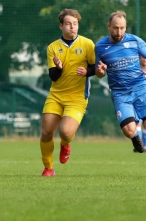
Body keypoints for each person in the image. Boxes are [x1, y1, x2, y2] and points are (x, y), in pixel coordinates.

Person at [40, 9, 95, 177]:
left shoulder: (87, 44)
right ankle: (48, 168)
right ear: (61, 26)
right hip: (56, 95)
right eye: (68, 24)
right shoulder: (53, 48)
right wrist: (58, 67)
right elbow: (53, 77)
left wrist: (86, 71)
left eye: (75, 24)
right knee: (46, 132)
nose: (72, 27)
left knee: (65, 131)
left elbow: (95, 68)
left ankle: (66, 143)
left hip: (77, 98)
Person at [95, 11, 146, 153]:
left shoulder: (135, 41)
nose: (119, 32)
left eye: (122, 28)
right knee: (129, 131)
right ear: (109, 26)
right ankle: (136, 140)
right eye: (116, 28)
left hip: (141, 88)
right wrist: (100, 71)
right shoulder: (100, 47)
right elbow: (99, 74)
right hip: (120, 94)